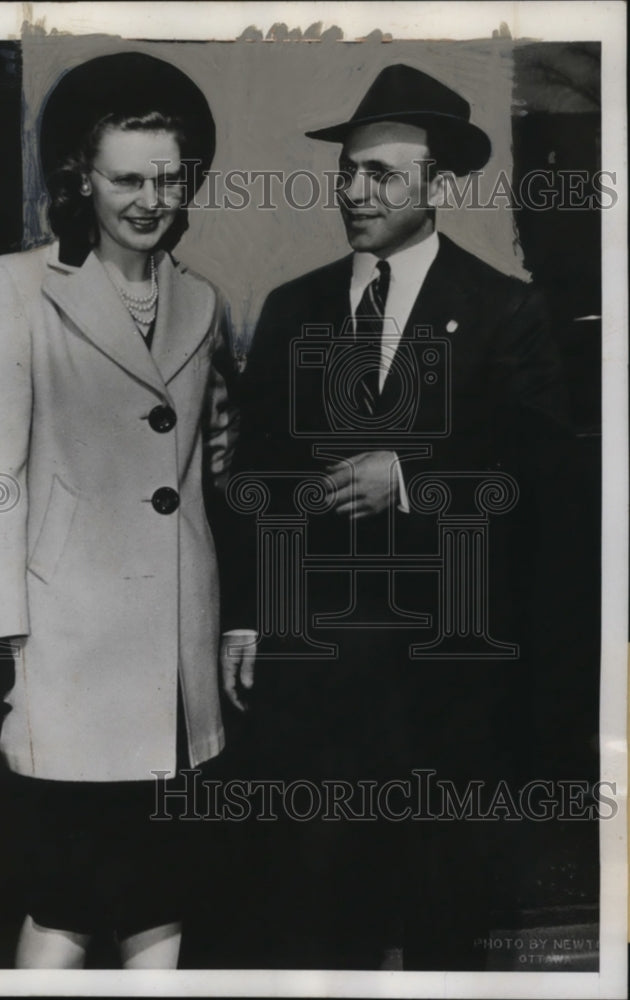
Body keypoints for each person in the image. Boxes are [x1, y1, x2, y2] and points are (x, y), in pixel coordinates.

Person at [219, 63, 571, 969]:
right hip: (318, 683)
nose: (353, 191)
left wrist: (410, 478)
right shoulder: (295, 308)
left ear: (440, 183)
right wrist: (251, 615)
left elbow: (542, 473)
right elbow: (255, 475)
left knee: (440, 924)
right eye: (348, 172)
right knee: (314, 921)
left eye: (380, 173)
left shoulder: (505, 310)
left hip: (449, 683)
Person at [0, 51, 236, 969]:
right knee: (66, 905)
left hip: (177, 659)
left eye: (168, 178)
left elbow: (205, 476)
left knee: (162, 903)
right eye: (126, 179)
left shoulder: (205, 302)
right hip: (64, 657)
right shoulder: (15, 286)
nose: (150, 199)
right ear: (82, 177)